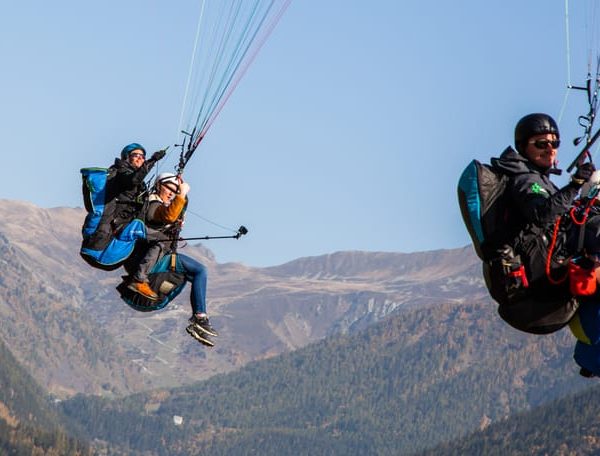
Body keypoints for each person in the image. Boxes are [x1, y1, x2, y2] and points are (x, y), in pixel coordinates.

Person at [127, 172, 218, 347]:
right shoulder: (152, 205)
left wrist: (183, 195)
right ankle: (199, 317)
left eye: (174, 191)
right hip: (156, 259)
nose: (171, 193)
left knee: (197, 273)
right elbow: (168, 215)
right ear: (159, 185)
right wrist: (182, 193)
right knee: (200, 270)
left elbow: (177, 210)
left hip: (163, 257)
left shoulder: (163, 205)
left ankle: (199, 320)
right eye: (169, 188)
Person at [106, 143, 166, 228]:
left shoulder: (140, 183)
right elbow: (134, 180)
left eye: (142, 156)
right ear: (127, 157)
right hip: (115, 223)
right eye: (136, 155)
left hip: (130, 223)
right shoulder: (120, 172)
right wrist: (153, 160)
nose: (140, 158)